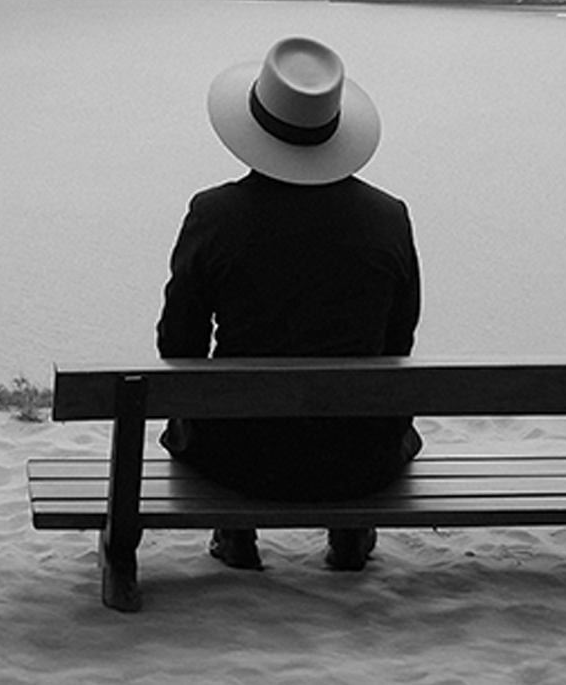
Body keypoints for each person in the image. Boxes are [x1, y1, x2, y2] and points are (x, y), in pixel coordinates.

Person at [156, 36, 421, 573]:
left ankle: (236, 534)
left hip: (239, 460)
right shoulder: (387, 217)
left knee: (200, 414)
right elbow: (400, 337)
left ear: (255, 129)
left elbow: (176, 343)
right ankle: (349, 531)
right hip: (357, 459)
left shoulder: (214, 215)